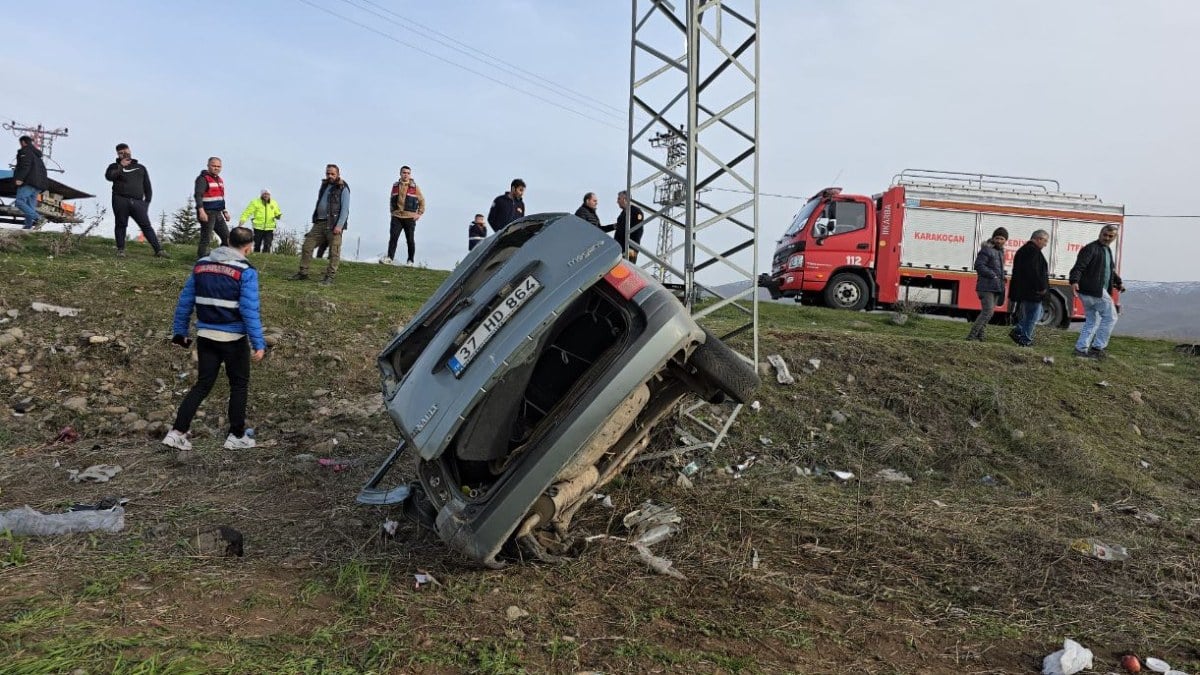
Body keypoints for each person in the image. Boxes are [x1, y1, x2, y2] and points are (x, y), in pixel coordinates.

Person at [161, 226, 265, 452]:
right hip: (234, 338)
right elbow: (249, 310)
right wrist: (258, 343)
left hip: (206, 336)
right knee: (238, 385)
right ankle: (236, 435)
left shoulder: (201, 265)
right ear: (249, 247)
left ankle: (177, 432)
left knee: (203, 384)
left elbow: (185, 300)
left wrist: (180, 332)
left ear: (228, 240)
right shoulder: (246, 271)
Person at [1070, 224, 1125, 359]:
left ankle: (1080, 349)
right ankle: (1097, 348)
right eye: (1105, 235)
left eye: (1110, 236)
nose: (1107, 238)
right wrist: (1074, 281)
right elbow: (1079, 266)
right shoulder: (1091, 249)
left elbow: (1109, 270)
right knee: (1111, 317)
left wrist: (1118, 283)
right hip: (1093, 290)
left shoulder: (1106, 250)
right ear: (1100, 234)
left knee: (1092, 321)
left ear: (1114, 237)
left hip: (1090, 291)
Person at [290, 164, 350, 286]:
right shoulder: (325, 185)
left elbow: (345, 209)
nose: (330, 176)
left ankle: (329, 277)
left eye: (332, 174)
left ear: (338, 174)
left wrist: (339, 225)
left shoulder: (343, 187)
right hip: (320, 222)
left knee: (334, 252)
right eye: (328, 173)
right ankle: (303, 273)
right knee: (307, 245)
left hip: (334, 224)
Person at [104, 143, 167, 258]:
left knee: (146, 226)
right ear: (118, 154)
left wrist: (146, 203)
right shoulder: (114, 166)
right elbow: (109, 177)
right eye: (121, 153)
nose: (124, 154)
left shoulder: (140, 167)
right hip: (120, 200)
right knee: (121, 224)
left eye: (125, 151)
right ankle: (121, 250)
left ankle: (159, 250)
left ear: (130, 151)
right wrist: (121, 166)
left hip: (138, 202)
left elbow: (147, 187)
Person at [1007, 229, 1050, 347]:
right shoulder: (1033, 251)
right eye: (1045, 241)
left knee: (1035, 314)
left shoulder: (1024, 250)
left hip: (1025, 289)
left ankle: (1018, 330)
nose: (1045, 244)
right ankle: (1025, 340)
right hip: (1032, 291)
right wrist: (1040, 287)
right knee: (1032, 316)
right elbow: (1034, 272)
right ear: (1038, 239)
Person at [965, 227, 1008, 341]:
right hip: (986, 286)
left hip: (995, 286)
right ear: (993, 238)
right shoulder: (986, 250)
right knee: (987, 312)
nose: (999, 240)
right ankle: (971, 336)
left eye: (1002, 238)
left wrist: (1002, 278)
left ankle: (981, 336)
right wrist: (993, 275)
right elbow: (979, 265)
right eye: (997, 238)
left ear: (1005, 240)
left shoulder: (1000, 252)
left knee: (990, 313)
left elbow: (997, 269)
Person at [385, 166, 426, 266]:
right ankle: (390, 258)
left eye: (408, 173)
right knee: (393, 238)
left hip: (410, 217)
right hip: (396, 216)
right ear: (400, 174)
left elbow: (422, 201)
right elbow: (391, 199)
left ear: (410, 175)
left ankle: (410, 260)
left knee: (410, 240)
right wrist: (392, 212)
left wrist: (419, 213)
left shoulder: (415, 187)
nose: (406, 175)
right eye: (404, 172)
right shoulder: (395, 186)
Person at [194, 157, 232, 259]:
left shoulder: (219, 180)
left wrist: (225, 211)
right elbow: (198, 195)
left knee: (227, 238)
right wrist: (201, 211)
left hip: (218, 212)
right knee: (206, 238)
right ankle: (201, 259)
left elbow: (220, 197)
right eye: (214, 166)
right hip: (207, 212)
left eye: (218, 166)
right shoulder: (202, 179)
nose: (216, 168)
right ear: (208, 166)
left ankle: (218, 257)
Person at [12, 136, 49, 230]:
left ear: (23, 142)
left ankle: (39, 218)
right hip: (38, 185)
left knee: (19, 202)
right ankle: (28, 226)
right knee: (30, 206)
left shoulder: (25, 151)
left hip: (28, 182)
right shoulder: (37, 156)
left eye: (20, 143)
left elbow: (25, 166)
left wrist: (20, 178)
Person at [238, 189, 283, 253]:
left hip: (270, 228)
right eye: (264, 194)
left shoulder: (274, 203)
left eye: (268, 194)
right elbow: (247, 212)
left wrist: (278, 215)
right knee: (257, 244)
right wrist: (242, 221)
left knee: (268, 244)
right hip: (258, 227)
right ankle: (256, 255)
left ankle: (265, 256)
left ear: (270, 195)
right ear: (261, 195)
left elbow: (277, 212)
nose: (266, 196)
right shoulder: (255, 202)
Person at [609, 190, 645, 262]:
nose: (617, 201)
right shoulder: (622, 214)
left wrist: (632, 248)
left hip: (629, 250)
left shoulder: (635, 212)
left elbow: (637, 232)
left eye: (619, 199)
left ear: (625, 199)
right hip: (621, 249)